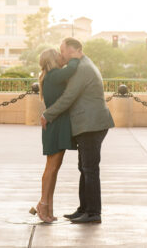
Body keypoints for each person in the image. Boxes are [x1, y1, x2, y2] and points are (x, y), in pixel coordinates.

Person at [41, 37, 114, 224]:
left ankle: (93, 213)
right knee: (85, 168)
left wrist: (48, 114)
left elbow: (68, 97)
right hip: (89, 124)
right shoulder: (83, 64)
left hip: (91, 124)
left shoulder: (82, 68)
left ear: (73, 50)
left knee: (89, 169)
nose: (61, 54)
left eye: (63, 50)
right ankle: (84, 209)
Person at [30, 48, 80, 223]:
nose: (62, 56)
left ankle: (48, 207)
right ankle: (43, 204)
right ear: (52, 59)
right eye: (59, 54)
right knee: (51, 168)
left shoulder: (51, 76)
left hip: (57, 124)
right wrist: (75, 55)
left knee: (53, 168)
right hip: (56, 125)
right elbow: (73, 68)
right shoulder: (55, 75)